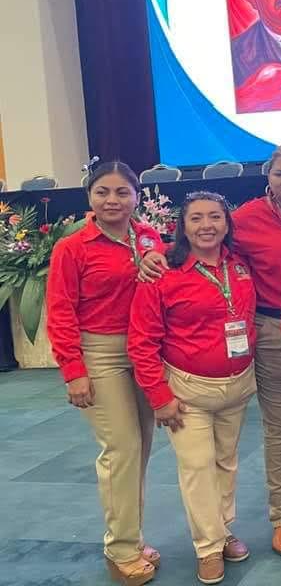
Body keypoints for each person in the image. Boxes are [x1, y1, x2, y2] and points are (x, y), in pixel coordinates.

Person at [139, 145, 281, 558]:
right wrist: (156, 252)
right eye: (279, 173)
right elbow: (202, 237)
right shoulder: (249, 217)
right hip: (274, 329)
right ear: (267, 177)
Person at [127, 192, 258, 586]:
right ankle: (207, 547)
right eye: (196, 218)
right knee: (198, 466)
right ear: (182, 226)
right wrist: (160, 397)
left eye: (215, 217)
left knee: (225, 462)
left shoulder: (240, 263)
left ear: (227, 223)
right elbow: (142, 342)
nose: (206, 226)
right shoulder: (162, 272)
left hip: (237, 384)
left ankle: (223, 529)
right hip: (186, 391)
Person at [46, 161, 162, 586]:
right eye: (103, 192)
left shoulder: (148, 237)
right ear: (89, 197)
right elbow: (60, 311)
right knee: (121, 449)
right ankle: (121, 549)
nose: (112, 200)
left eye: (122, 192)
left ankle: (133, 536)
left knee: (141, 448)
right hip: (100, 353)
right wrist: (73, 370)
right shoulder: (72, 247)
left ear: (136, 197)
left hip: (144, 351)